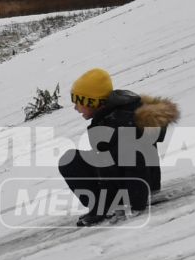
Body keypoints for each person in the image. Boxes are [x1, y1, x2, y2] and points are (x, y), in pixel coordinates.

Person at [57, 67, 180, 225]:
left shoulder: (118, 123)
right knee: (72, 160)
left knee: (71, 161)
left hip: (136, 188)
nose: (75, 108)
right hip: (134, 182)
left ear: (93, 102)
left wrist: (136, 205)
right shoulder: (113, 116)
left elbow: (135, 162)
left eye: (78, 102)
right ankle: (105, 204)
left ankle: (104, 207)